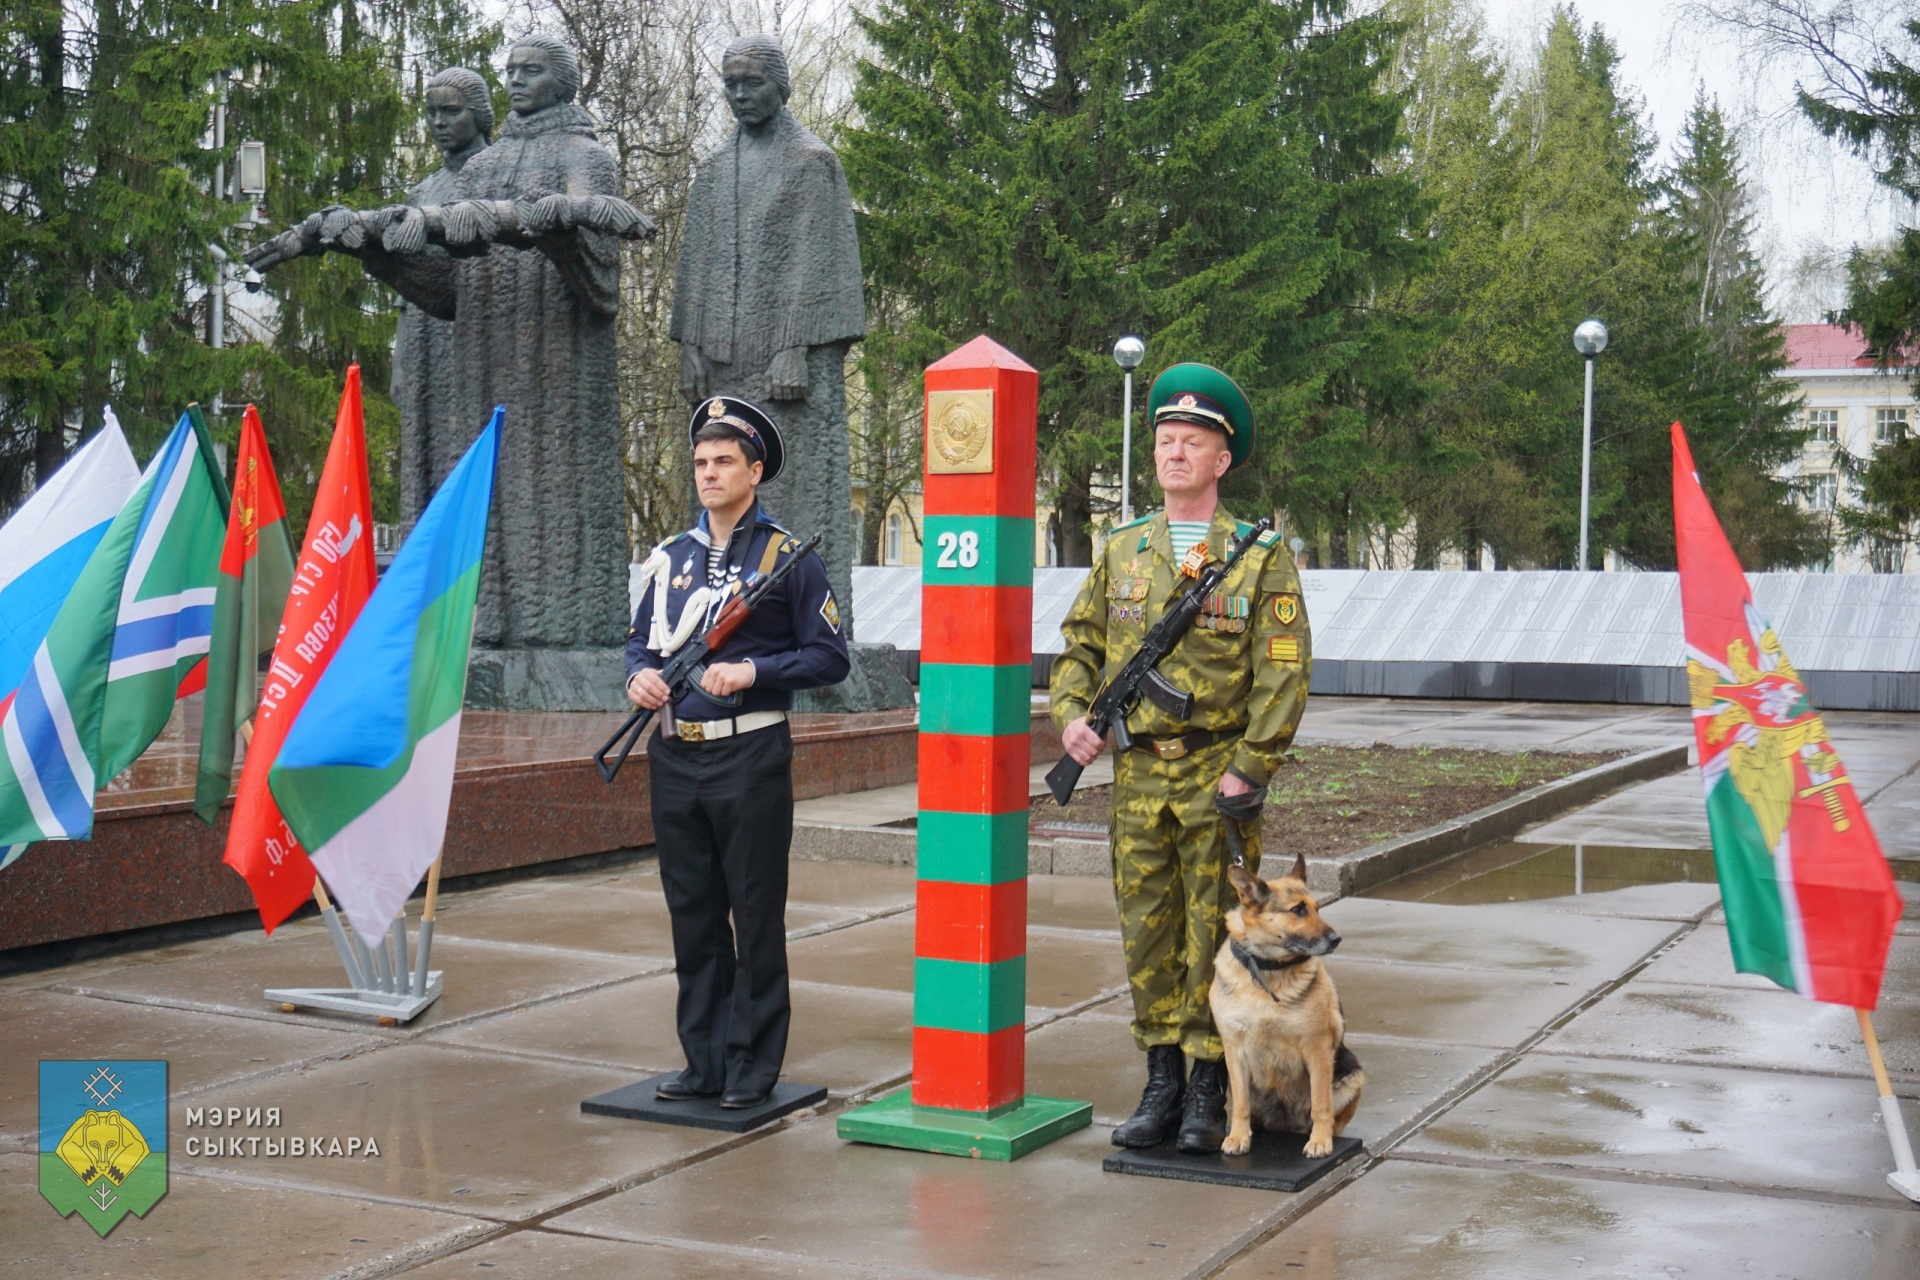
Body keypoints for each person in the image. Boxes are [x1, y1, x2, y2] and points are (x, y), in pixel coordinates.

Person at [1049, 363, 1312, 1153]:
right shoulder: (1123, 550)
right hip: (1137, 776)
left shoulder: (1258, 556)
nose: (1174, 454)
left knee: (1217, 934)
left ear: (1221, 460)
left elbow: (1285, 669)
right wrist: (1072, 720)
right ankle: (1160, 1078)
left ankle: (1209, 1087)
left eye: (1191, 443)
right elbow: (1079, 647)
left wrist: (1251, 766)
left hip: (1215, 775)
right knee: (1148, 932)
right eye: (1165, 441)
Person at [625, 396, 850, 1108]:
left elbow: (829, 656)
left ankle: (752, 1065)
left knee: (754, 915)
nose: (709, 473)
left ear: (755, 471)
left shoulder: (787, 559)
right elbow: (641, 640)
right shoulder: (672, 558)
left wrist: (756, 672)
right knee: (691, 912)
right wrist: (638, 675)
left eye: (724, 461)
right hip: (675, 756)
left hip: (748, 755)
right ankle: (704, 1061)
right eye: (700, 462)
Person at [670, 33, 866, 621]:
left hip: (789, 368)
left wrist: (796, 346)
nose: (739, 94)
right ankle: (719, 619)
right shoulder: (713, 169)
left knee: (797, 488)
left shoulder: (812, 161)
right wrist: (691, 343)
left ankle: (811, 625)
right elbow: (697, 260)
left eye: (751, 82)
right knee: (723, 484)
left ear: (780, 86)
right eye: (730, 83)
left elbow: (821, 258)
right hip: (727, 361)